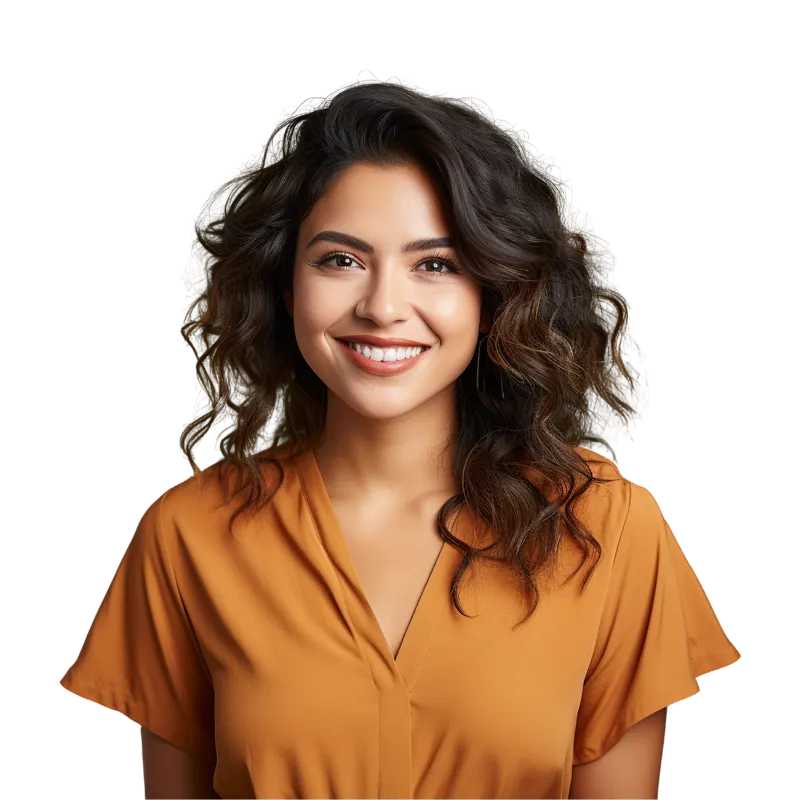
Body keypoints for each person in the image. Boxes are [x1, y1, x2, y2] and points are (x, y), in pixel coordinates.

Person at [58, 76, 742, 799]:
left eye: (436, 265)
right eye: (340, 259)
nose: (383, 306)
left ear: (493, 294)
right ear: (286, 287)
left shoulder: (609, 528)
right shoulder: (187, 535)